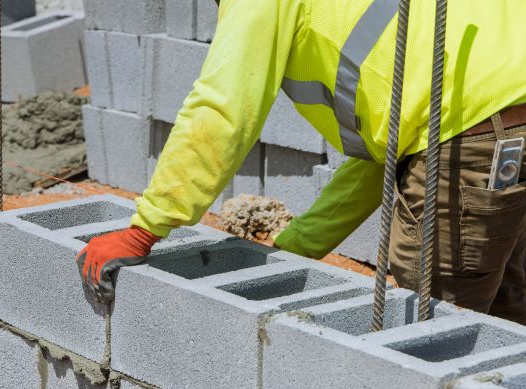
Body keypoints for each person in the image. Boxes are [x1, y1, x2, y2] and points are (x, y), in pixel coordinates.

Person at [76, 0, 526, 322]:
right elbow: (381, 160)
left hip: (476, 131)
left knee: (438, 332)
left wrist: (144, 229)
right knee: (508, 308)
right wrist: (297, 247)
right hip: (497, 114)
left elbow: (222, 109)